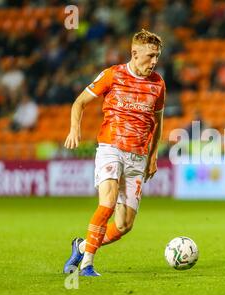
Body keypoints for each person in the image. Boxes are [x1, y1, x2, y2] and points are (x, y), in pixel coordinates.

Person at [63, 29, 165, 276]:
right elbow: (79, 103)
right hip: (111, 148)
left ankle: (82, 245)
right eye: (150, 56)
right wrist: (74, 128)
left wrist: (152, 156)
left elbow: (158, 123)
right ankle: (87, 264)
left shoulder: (158, 84)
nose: (154, 62)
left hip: (138, 156)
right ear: (134, 53)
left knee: (123, 225)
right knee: (107, 203)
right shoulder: (113, 75)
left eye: (157, 56)